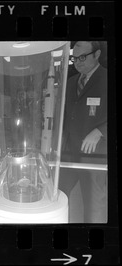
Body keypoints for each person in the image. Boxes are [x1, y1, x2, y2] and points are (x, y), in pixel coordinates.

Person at [59, 41, 107, 223]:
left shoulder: (106, 78)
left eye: (82, 57)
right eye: (74, 58)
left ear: (97, 54)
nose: (77, 62)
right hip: (68, 152)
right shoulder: (71, 82)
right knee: (59, 196)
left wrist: (100, 131)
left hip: (94, 156)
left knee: (94, 205)